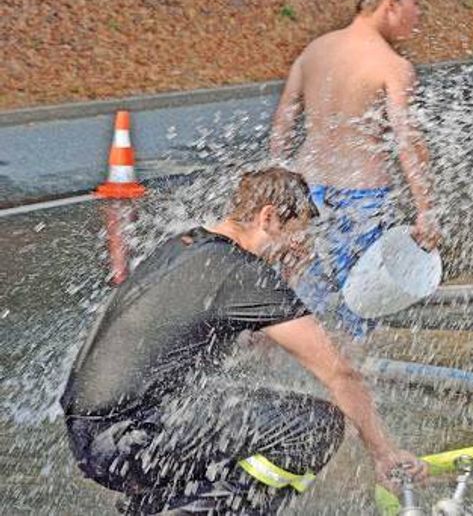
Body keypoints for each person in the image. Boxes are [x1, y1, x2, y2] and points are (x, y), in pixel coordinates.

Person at [60, 168, 427, 514]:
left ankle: (159, 506)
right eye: (296, 237)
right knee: (313, 426)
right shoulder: (244, 274)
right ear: (268, 218)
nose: (302, 251)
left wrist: (289, 276)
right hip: (130, 440)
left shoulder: (185, 245)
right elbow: (339, 375)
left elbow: (258, 346)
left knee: (239, 418)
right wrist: (384, 453)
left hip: (95, 436)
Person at [270, 0, 440, 339]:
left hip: (303, 192)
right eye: (416, 4)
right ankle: (352, 389)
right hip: (360, 200)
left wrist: (279, 199)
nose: (419, 14)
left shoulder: (315, 50)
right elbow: (406, 142)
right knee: (356, 310)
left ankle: (292, 380)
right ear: (390, 3)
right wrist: (426, 210)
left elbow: (282, 126)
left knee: (302, 305)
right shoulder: (393, 66)